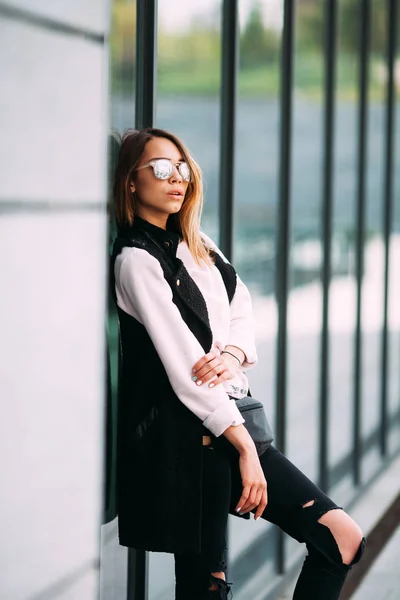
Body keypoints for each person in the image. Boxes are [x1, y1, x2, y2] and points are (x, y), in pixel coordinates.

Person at [110, 127, 365, 600]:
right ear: (130, 181)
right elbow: (185, 371)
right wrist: (246, 451)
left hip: (227, 427)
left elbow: (241, 302)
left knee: (342, 540)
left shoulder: (196, 242)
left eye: (183, 168)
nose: (177, 179)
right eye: (161, 169)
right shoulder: (135, 261)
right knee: (208, 587)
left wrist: (230, 352)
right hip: (193, 443)